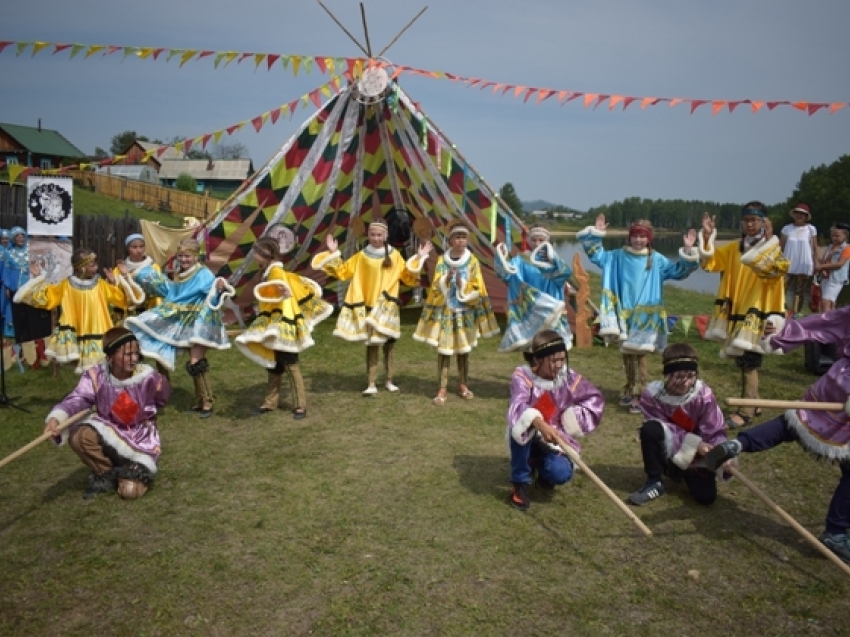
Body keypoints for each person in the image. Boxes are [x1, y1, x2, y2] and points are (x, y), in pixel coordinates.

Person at [705, 305, 850, 564]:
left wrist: (784, 331)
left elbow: (822, 323)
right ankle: (836, 532)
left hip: (837, 381)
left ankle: (738, 444)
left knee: (796, 421)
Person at [576, 215, 699, 414]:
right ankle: (629, 388)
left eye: (643, 237)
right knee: (627, 353)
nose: (638, 240)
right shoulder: (616, 256)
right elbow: (596, 255)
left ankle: (640, 394)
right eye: (635, 236)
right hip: (623, 312)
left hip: (645, 315)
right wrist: (597, 234)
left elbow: (679, 272)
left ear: (649, 238)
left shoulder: (656, 259)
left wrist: (687, 251)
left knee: (640, 353)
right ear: (629, 237)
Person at [42, 327, 171, 500]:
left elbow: (162, 397)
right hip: (108, 429)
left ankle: (129, 471)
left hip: (139, 441)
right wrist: (57, 419)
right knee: (80, 436)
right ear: (110, 356)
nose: (133, 359)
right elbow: (79, 398)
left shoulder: (148, 377)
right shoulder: (96, 376)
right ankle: (106, 473)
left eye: (135, 353)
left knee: (130, 492)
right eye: (127, 354)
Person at [311, 218, 432, 396]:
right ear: (368, 235)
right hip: (368, 305)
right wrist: (334, 252)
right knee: (372, 345)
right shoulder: (361, 256)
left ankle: (389, 380)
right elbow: (343, 271)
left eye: (379, 235)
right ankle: (371, 382)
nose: (376, 238)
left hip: (387, 306)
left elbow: (407, 277)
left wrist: (419, 258)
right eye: (373, 234)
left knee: (389, 345)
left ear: (385, 235)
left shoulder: (394, 255)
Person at [699, 203, 789, 429]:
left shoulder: (772, 251)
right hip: (737, 310)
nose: (750, 225)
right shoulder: (733, 249)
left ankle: (745, 411)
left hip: (758, 312)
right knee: (743, 359)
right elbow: (710, 263)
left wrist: (769, 242)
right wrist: (708, 238)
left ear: (763, 222)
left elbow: (778, 270)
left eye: (754, 220)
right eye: (746, 220)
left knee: (749, 360)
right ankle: (754, 402)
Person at [123, 238, 234, 418]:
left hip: (200, 323)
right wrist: (143, 274)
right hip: (183, 322)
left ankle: (207, 402)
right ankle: (200, 401)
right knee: (193, 363)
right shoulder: (179, 274)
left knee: (196, 363)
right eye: (181, 256)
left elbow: (213, 296)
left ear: (195, 256)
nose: (184, 260)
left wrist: (219, 288)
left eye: (187, 256)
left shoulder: (204, 274)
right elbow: (172, 293)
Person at [506, 329, 604, 511]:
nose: (559, 365)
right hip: (529, 435)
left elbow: (594, 399)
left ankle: (545, 473)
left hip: (556, 438)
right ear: (538, 359)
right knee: (520, 425)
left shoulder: (567, 378)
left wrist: (571, 419)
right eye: (553, 360)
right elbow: (517, 407)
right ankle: (520, 483)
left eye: (562, 359)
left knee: (560, 472)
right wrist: (539, 423)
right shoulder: (523, 377)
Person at [235, 236, 332, 419]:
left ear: (266, 254)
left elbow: (282, 286)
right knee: (274, 364)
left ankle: (300, 405)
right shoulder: (269, 271)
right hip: (274, 323)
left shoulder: (276, 272)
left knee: (290, 363)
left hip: (283, 324)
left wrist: (284, 291)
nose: (254, 256)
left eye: (256, 252)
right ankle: (270, 402)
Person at [628, 343, 730, 506]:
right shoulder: (652, 395)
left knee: (706, 498)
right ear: (667, 375)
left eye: (690, 376)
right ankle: (654, 481)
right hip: (673, 447)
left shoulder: (703, 395)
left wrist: (723, 454)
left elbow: (714, 429)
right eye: (679, 376)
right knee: (650, 429)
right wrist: (695, 443)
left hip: (697, 456)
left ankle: (681, 471)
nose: (685, 382)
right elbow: (662, 428)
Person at [413, 219, 500, 405]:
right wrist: (447, 279)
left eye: (463, 237)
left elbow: (478, 285)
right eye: (457, 237)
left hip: (464, 312)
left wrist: (463, 285)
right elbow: (436, 284)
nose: (461, 241)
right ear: (451, 240)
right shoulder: (442, 261)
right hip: (447, 311)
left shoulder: (472, 261)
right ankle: (442, 387)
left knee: (463, 350)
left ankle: (463, 384)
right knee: (444, 350)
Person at [14, 247, 135, 373]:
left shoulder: (101, 284)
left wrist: (115, 282)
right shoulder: (66, 285)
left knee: (103, 371)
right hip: (77, 331)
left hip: (99, 330)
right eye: (92, 265)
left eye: (95, 265)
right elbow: (47, 298)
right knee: (89, 373)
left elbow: (123, 300)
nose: (96, 268)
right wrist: (38, 277)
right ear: (80, 267)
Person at [494, 224, 573, 352]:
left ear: (547, 241)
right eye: (534, 240)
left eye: (541, 240)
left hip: (551, 303)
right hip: (531, 306)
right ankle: (535, 369)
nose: (537, 244)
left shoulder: (554, 260)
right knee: (534, 347)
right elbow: (506, 273)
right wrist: (500, 256)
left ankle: (554, 368)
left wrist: (552, 262)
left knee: (553, 345)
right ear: (529, 241)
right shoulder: (521, 260)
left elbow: (565, 274)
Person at [779, 203, 818, 316]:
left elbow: (815, 247)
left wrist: (817, 263)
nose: (799, 216)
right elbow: (781, 247)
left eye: (802, 214)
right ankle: (781, 310)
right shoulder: (787, 228)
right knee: (782, 288)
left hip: (803, 263)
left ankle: (796, 313)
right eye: (797, 213)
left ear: (806, 216)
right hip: (787, 263)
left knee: (799, 290)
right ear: (794, 214)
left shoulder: (810, 229)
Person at [1, 226, 29, 340]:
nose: (21, 238)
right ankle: (13, 330)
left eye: (23, 236)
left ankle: (27, 327)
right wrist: (7, 287)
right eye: (18, 236)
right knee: (14, 306)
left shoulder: (30, 250)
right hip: (14, 282)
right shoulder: (9, 252)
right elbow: (6, 271)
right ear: (13, 238)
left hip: (28, 281)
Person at [815, 223, 850, 312]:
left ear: (845, 236)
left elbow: (840, 264)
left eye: (837, 236)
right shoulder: (831, 246)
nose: (834, 238)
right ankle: (831, 321)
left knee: (826, 301)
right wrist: (821, 269)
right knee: (830, 301)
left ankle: (826, 323)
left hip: (836, 279)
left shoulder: (847, 248)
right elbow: (825, 259)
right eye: (832, 235)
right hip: (826, 277)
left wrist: (821, 266)